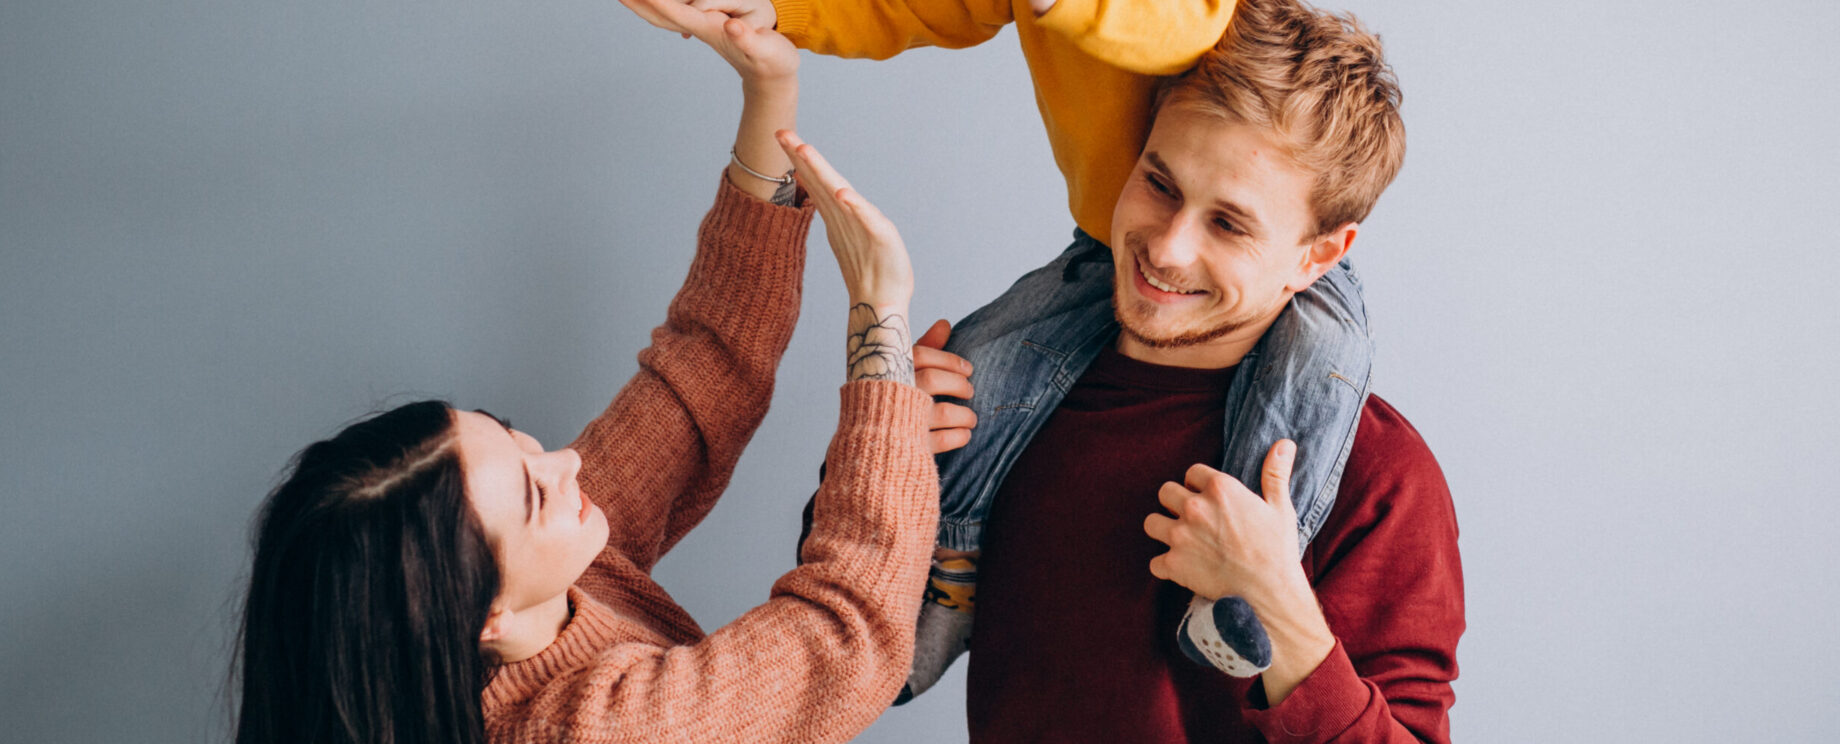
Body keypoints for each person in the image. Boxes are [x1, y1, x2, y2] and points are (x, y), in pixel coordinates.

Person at [231, 18, 977, 744]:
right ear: (484, 616)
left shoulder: (547, 578)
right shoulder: (596, 731)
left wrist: (768, 90)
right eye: (532, 493)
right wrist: (878, 318)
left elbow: (703, 372)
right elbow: (843, 637)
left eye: (516, 439)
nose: (566, 462)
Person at [622, 0, 1377, 697]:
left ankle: (1235, 597)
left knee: (1315, 369)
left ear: (1318, 253)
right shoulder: (1059, 381)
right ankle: (944, 585)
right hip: (1102, 241)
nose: (1175, 245)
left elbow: (1191, 20)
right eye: (1162, 184)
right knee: (970, 371)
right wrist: (884, 464)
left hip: (1241, 302)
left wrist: (1283, 607)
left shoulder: (1379, 480)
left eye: (1229, 224)